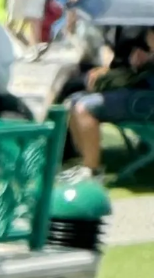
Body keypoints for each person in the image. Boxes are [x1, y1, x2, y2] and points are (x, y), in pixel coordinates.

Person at [66, 24, 154, 170]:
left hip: (144, 101)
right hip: (136, 89)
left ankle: (92, 171)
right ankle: (84, 160)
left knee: (84, 108)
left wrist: (149, 57)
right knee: (74, 101)